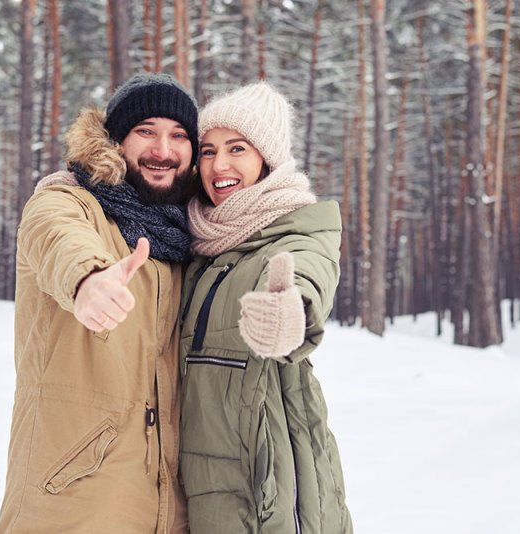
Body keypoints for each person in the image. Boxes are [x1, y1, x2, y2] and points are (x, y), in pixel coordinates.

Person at [0, 73, 197, 533]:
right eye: (146, 131)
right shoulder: (70, 201)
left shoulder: (190, 237)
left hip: (170, 507)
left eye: (179, 135)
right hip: (72, 501)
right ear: (115, 140)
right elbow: (56, 235)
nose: (163, 150)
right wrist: (87, 279)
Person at [178, 82, 353, 533]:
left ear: (267, 159)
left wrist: (289, 314)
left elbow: (307, 274)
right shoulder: (199, 243)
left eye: (237, 148)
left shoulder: (294, 234)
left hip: (270, 492)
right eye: (208, 151)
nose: (219, 165)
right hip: (198, 491)